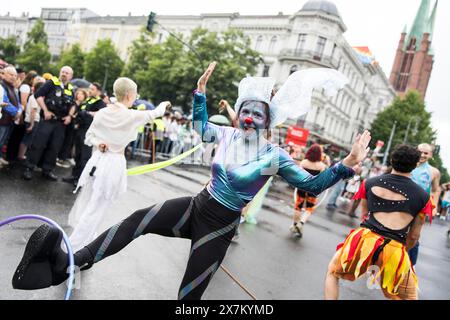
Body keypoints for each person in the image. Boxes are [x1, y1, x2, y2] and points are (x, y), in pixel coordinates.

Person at [12, 63, 368, 300]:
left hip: (219, 226)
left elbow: (312, 187)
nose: (248, 118)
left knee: (189, 296)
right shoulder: (226, 135)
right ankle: (66, 265)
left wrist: (347, 164)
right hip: (196, 206)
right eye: (245, 110)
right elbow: (200, 129)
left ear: (266, 120)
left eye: (256, 113)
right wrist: (200, 93)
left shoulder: (274, 156)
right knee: (137, 221)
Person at [64, 78, 170, 251]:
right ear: (128, 95)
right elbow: (156, 113)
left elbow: (89, 137)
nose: (135, 98)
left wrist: (99, 144)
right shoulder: (131, 115)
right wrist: (165, 103)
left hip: (97, 160)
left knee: (92, 203)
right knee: (95, 208)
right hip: (111, 165)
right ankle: (72, 248)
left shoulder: (103, 112)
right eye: (135, 95)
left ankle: (85, 244)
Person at [324, 145, 434, 300]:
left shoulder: (369, 183)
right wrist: (400, 250)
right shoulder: (423, 197)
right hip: (394, 248)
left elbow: (364, 215)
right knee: (408, 297)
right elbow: (414, 236)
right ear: (416, 164)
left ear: (391, 160)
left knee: (333, 272)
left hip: (364, 240)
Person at [22, 66, 76, 181]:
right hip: (48, 120)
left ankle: (47, 170)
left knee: (54, 147)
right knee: (38, 144)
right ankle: (29, 168)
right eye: (63, 72)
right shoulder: (51, 83)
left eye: (67, 73)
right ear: (59, 72)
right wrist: (45, 110)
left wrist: (69, 116)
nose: (64, 74)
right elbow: (38, 95)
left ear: (71, 76)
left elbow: (73, 104)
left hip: (60, 123)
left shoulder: (71, 88)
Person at [63, 84, 105, 186]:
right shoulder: (87, 100)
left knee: (84, 156)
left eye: (92, 89)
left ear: (98, 92)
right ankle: (74, 176)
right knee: (77, 155)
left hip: (89, 131)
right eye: (89, 88)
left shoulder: (100, 103)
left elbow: (99, 115)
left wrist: (87, 113)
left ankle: (81, 179)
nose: (89, 90)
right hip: (80, 130)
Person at [408, 143, 441, 265]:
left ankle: (411, 265)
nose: (422, 155)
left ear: (431, 155)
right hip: (402, 204)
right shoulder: (406, 164)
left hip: (420, 207)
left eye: (426, 153)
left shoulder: (434, 172)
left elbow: (435, 189)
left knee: (414, 237)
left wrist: (434, 206)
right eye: (420, 151)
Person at [290, 144, 328, 238]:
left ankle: (295, 224)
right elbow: (322, 179)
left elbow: (298, 175)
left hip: (302, 187)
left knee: (298, 207)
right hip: (313, 189)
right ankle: (301, 223)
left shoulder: (303, 162)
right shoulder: (321, 165)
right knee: (309, 208)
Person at [19, 78, 46, 161]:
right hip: (32, 120)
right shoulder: (35, 97)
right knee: (26, 140)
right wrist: (32, 125)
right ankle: (21, 155)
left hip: (32, 120)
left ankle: (22, 155)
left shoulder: (33, 96)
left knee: (27, 139)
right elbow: (33, 111)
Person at [0, 66, 22, 167]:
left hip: (9, 120)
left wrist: (19, 111)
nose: (13, 77)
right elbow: (4, 102)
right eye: (11, 74)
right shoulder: (1, 85)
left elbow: (18, 103)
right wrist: (16, 113)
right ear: (4, 74)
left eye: (15, 75)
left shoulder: (13, 87)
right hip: (2, 120)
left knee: (3, 141)